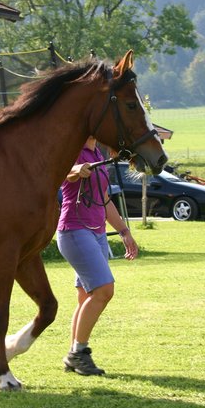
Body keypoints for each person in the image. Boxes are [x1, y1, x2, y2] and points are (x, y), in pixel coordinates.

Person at [57, 136, 139, 376]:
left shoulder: (98, 156)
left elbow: (104, 199)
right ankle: (78, 352)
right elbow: (62, 174)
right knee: (104, 290)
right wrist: (74, 170)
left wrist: (124, 232)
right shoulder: (73, 149)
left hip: (97, 233)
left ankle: (73, 355)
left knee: (86, 298)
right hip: (74, 230)